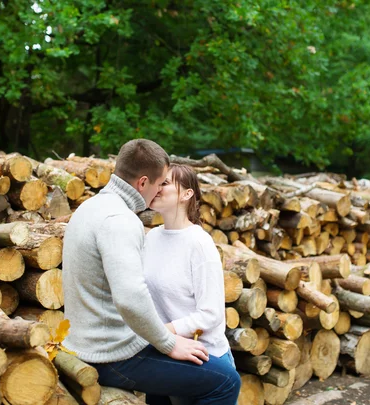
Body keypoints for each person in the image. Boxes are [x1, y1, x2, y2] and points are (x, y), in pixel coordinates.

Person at [62, 139, 241, 404]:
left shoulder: (90, 208)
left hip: (94, 346)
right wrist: (168, 343)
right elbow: (130, 298)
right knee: (228, 381)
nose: (158, 191)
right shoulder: (121, 220)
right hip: (111, 355)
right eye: (159, 184)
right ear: (143, 183)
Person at [143, 164, 237, 405]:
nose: (157, 187)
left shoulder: (199, 244)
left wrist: (163, 331)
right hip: (165, 353)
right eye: (157, 182)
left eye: (165, 183)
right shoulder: (151, 237)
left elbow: (211, 314)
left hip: (205, 359)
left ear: (187, 194)